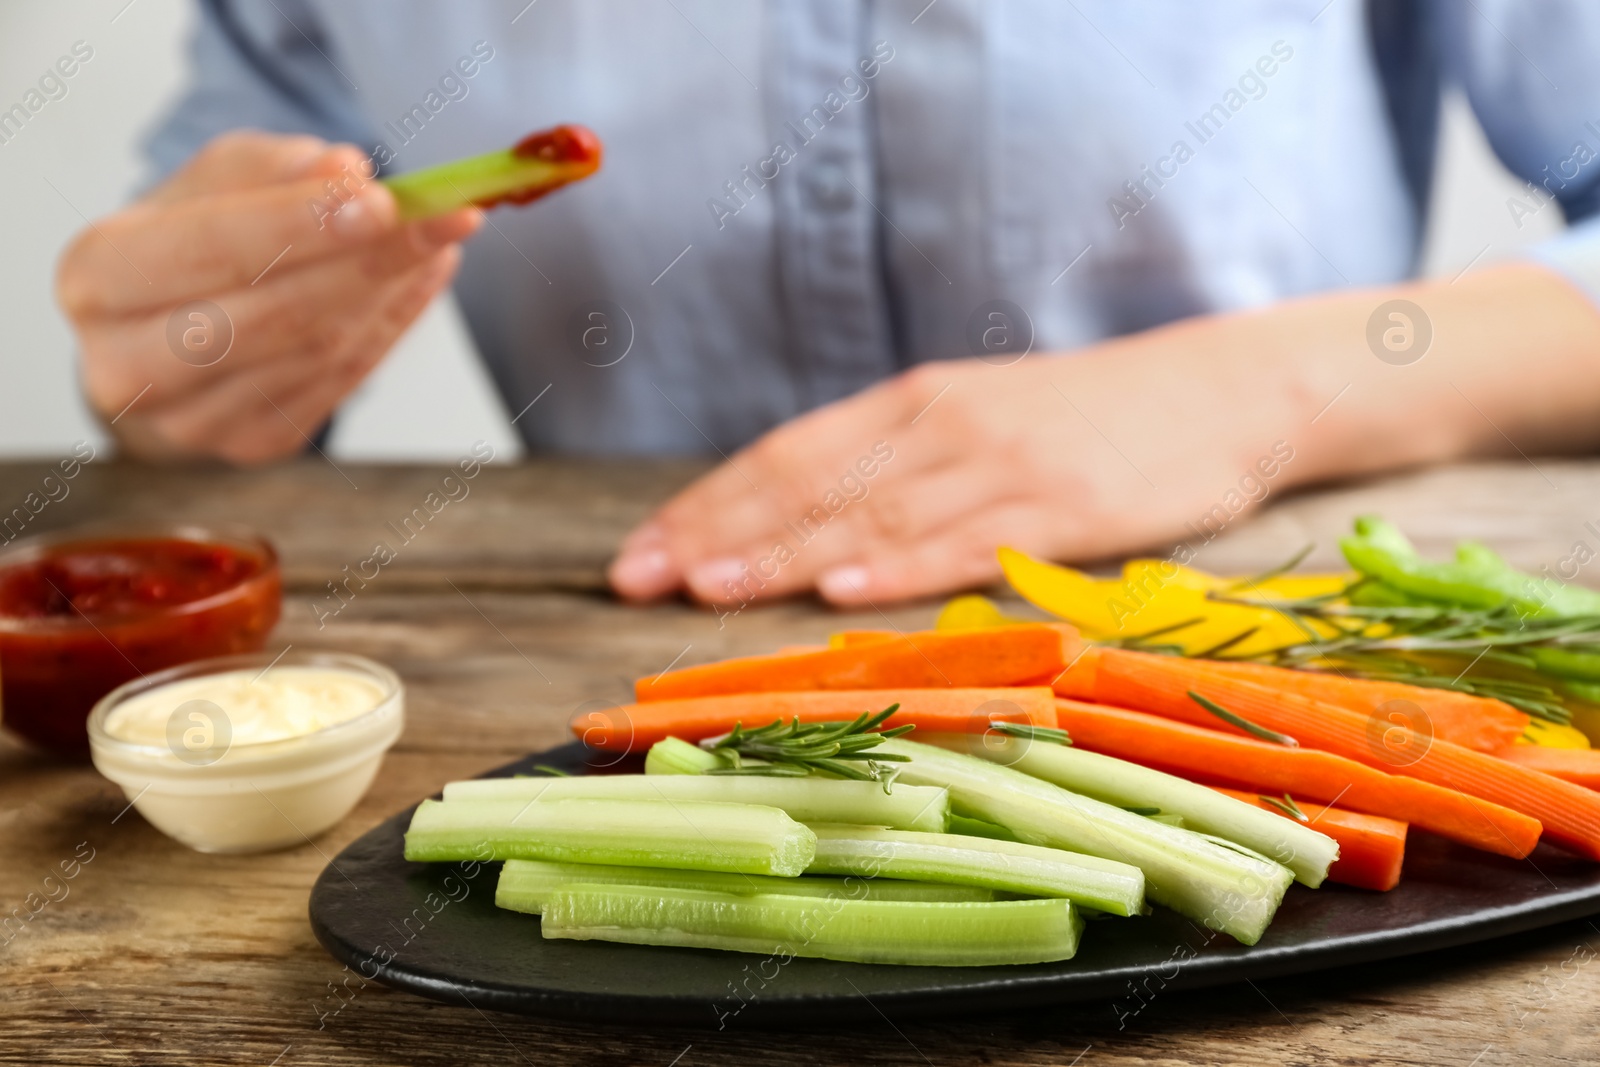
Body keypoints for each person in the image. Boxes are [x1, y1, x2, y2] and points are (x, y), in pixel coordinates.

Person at [56, 0, 1600, 611]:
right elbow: (182, 375)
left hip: (1275, 639)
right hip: (624, 644)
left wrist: (1248, 397)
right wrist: (190, 355)